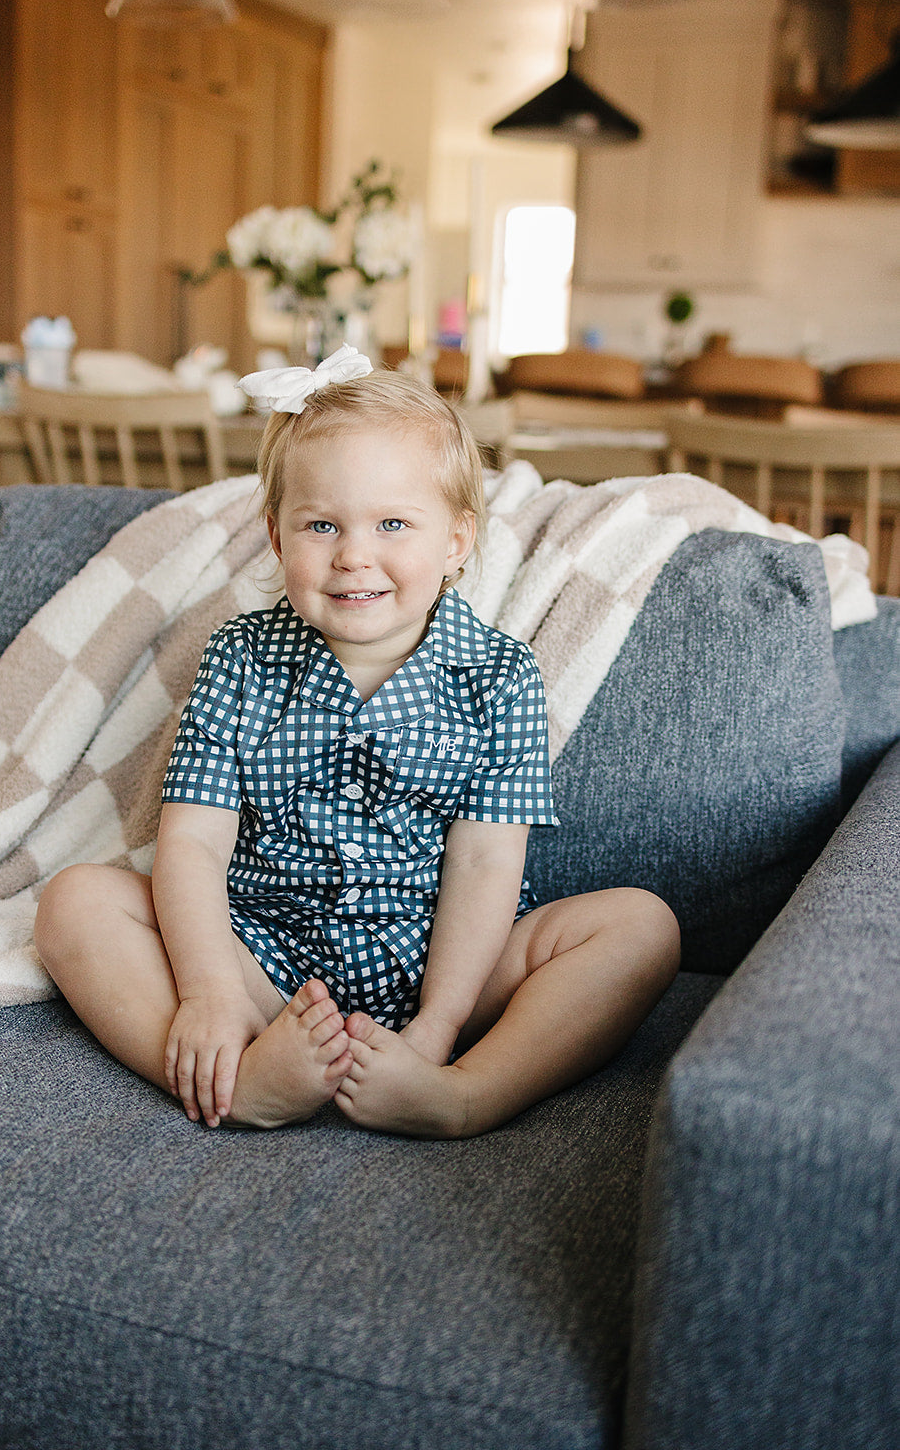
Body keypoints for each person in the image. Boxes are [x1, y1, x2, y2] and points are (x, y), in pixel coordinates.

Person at [35, 347, 679, 1138]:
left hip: (448, 961)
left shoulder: (500, 677)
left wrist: (438, 1027)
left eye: (393, 524)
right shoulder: (241, 658)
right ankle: (236, 1080)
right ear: (275, 537)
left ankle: (465, 1094)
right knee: (75, 902)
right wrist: (209, 991)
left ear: (454, 542)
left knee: (640, 927)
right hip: (267, 960)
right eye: (321, 524)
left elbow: (484, 864)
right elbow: (194, 844)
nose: (353, 554)